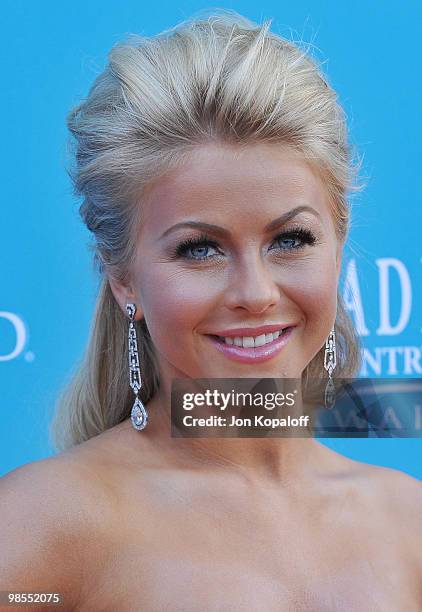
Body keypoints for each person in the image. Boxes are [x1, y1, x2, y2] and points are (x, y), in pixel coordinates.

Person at [1, 10, 421, 611]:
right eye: (200, 249)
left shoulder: (408, 521)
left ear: (339, 242)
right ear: (123, 278)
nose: (255, 292)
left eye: (291, 239)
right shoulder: (45, 524)